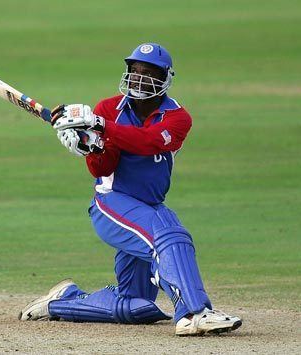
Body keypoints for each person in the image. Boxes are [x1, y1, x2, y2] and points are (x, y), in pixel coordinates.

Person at [18, 43, 242, 336]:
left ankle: (63, 301)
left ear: (165, 78)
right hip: (112, 203)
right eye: (134, 71)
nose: (138, 78)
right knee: (170, 236)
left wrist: (99, 126)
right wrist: (90, 147)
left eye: (148, 73)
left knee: (136, 307)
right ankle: (194, 312)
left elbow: (147, 141)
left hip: (149, 205)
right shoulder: (108, 108)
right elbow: (101, 168)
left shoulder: (177, 118)